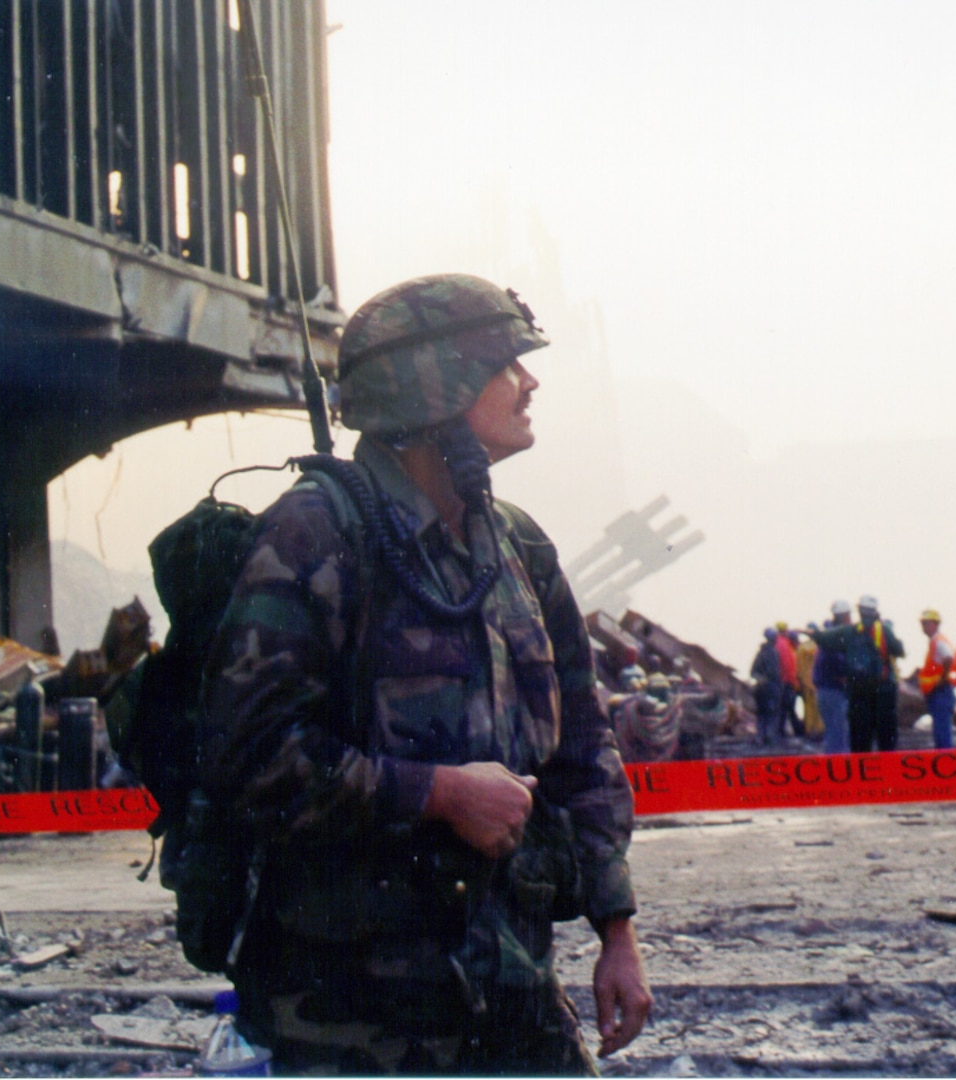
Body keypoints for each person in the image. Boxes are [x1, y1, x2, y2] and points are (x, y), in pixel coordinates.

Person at [198, 274, 650, 1074]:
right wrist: (439, 794)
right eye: (503, 362)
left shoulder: (517, 546)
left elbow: (583, 744)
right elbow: (251, 755)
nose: (528, 381)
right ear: (433, 384)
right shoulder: (315, 533)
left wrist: (617, 930)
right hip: (354, 1010)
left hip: (509, 978)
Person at [847, 595, 904, 753]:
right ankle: (888, 770)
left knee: (860, 735)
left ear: (859, 610)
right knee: (886, 734)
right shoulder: (884, 628)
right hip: (883, 687)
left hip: (858, 689)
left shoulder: (853, 630)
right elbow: (899, 650)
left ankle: (861, 771)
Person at [812, 600, 855, 754]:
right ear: (845, 616)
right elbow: (837, 663)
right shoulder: (834, 638)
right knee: (837, 735)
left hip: (828, 690)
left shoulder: (830, 635)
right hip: (832, 690)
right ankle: (837, 771)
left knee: (836, 733)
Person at [917, 609, 955, 750]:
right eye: (923, 623)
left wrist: (942, 678)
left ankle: (946, 764)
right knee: (940, 732)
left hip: (941, 691)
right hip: (936, 692)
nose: (924, 626)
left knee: (942, 733)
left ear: (935, 624)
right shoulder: (934, 641)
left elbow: (949, 658)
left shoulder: (938, 641)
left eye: (927, 623)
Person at [750, 627, 785, 746]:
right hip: (770, 688)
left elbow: (753, 672)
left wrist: (760, 680)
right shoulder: (773, 653)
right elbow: (775, 673)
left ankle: (761, 737)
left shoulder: (761, 653)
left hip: (762, 689)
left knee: (762, 714)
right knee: (771, 713)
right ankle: (769, 738)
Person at [795, 626, 822, 739]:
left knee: (808, 708)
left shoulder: (801, 648)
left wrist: (800, 680)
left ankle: (809, 729)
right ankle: (820, 729)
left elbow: (798, 666)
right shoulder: (819, 647)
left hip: (806, 682)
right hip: (818, 681)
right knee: (819, 708)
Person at [774, 622, 800, 737]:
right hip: (786, 681)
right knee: (787, 707)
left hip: (781, 681)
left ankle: (781, 731)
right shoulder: (785, 645)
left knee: (785, 708)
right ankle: (783, 731)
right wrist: (793, 681)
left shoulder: (777, 643)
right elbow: (788, 665)